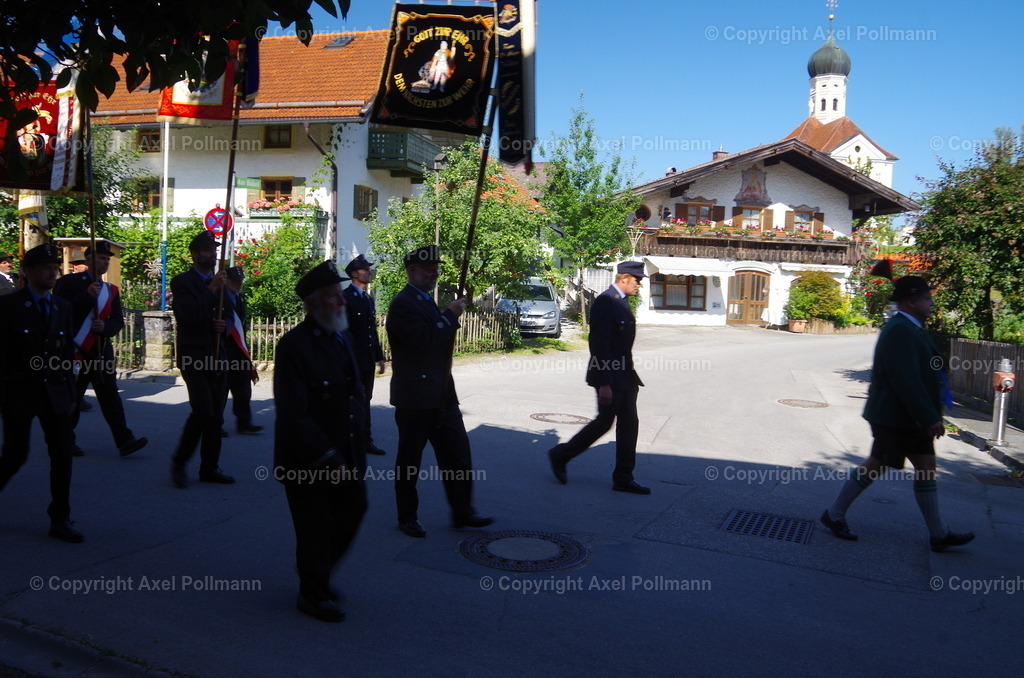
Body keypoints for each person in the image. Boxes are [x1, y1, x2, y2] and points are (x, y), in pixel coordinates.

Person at [821, 275, 975, 553]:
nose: (931, 303)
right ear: (911, 302)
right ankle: (834, 514)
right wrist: (928, 417)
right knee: (876, 465)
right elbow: (906, 380)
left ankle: (938, 534)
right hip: (895, 417)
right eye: (927, 298)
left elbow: (924, 373)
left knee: (924, 467)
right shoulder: (900, 330)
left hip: (906, 417)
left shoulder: (912, 328)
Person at [274, 260, 368, 623]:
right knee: (313, 528)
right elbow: (294, 414)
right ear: (313, 304)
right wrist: (329, 456)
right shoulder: (293, 346)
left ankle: (317, 573)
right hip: (307, 461)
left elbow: (353, 394)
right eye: (333, 298)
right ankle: (312, 595)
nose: (341, 303)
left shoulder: (341, 336)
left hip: (345, 450)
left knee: (354, 509)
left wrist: (358, 439)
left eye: (341, 296)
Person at [386, 246, 493, 538]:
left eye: (436, 268)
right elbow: (422, 342)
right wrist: (448, 315)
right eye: (428, 268)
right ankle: (407, 516)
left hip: (442, 394)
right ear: (411, 271)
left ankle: (463, 511)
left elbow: (438, 340)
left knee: (457, 454)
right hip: (415, 397)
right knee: (410, 460)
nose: (434, 273)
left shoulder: (427, 302)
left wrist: (446, 316)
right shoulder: (403, 304)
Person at [0, 243, 83, 542]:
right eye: (46, 268)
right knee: (15, 454)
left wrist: (72, 394)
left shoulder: (62, 307)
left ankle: (60, 518)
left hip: (56, 391)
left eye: (55, 268)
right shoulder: (8, 306)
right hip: (19, 392)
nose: (53, 273)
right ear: (28, 272)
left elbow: (65, 354)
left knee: (62, 456)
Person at [547, 261, 650, 494]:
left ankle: (623, 477)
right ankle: (561, 454)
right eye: (637, 280)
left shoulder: (620, 302)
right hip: (609, 376)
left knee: (629, 424)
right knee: (604, 422)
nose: (639, 285)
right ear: (623, 278)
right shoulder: (606, 301)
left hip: (624, 375)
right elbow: (599, 344)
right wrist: (604, 383)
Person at [54, 241, 147, 458]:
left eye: (108, 259)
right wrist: (87, 296)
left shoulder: (110, 290)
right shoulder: (69, 283)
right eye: (101, 258)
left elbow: (117, 321)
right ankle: (66, 440)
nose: (105, 262)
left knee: (110, 397)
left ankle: (125, 440)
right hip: (75, 350)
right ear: (88, 260)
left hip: (99, 350)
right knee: (73, 397)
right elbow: (60, 312)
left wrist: (106, 327)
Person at [169, 231, 235, 488]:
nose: (212, 254)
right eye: (207, 250)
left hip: (219, 356)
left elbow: (231, 315)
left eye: (214, 249)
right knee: (202, 412)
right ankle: (179, 460)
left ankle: (210, 467)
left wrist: (224, 325)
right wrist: (212, 289)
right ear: (194, 254)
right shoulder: (182, 282)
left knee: (216, 416)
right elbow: (187, 316)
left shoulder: (222, 281)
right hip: (195, 356)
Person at [343, 254, 386, 456]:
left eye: (369, 269)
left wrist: (379, 356)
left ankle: (366, 440)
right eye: (365, 269)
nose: (369, 272)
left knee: (365, 399)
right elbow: (344, 333)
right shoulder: (345, 299)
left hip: (367, 360)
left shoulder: (367, 299)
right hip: (352, 361)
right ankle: (350, 440)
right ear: (354, 274)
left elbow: (371, 330)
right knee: (352, 401)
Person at [223, 266, 262, 436]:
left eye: (240, 281)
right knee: (221, 390)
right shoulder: (220, 298)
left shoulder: (239, 298)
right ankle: (215, 424)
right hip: (223, 351)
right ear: (226, 281)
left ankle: (244, 423)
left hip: (238, 352)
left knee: (243, 389)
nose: (238, 284)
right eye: (235, 281)